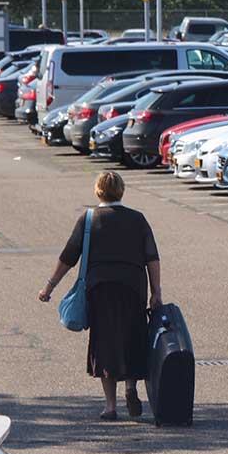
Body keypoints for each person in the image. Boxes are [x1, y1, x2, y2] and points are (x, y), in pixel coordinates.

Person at [39, 171, 163, 420]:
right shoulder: (138, 219)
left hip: (100, 290)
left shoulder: (89, 219)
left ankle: (110, 406)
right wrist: (156, 292)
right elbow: (152, 257)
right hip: (133, 288)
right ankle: (130, 387)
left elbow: (68, 257)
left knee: (104, 342)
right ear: (121, 191)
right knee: (132, 337)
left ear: (98, 192)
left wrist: (49, 287)